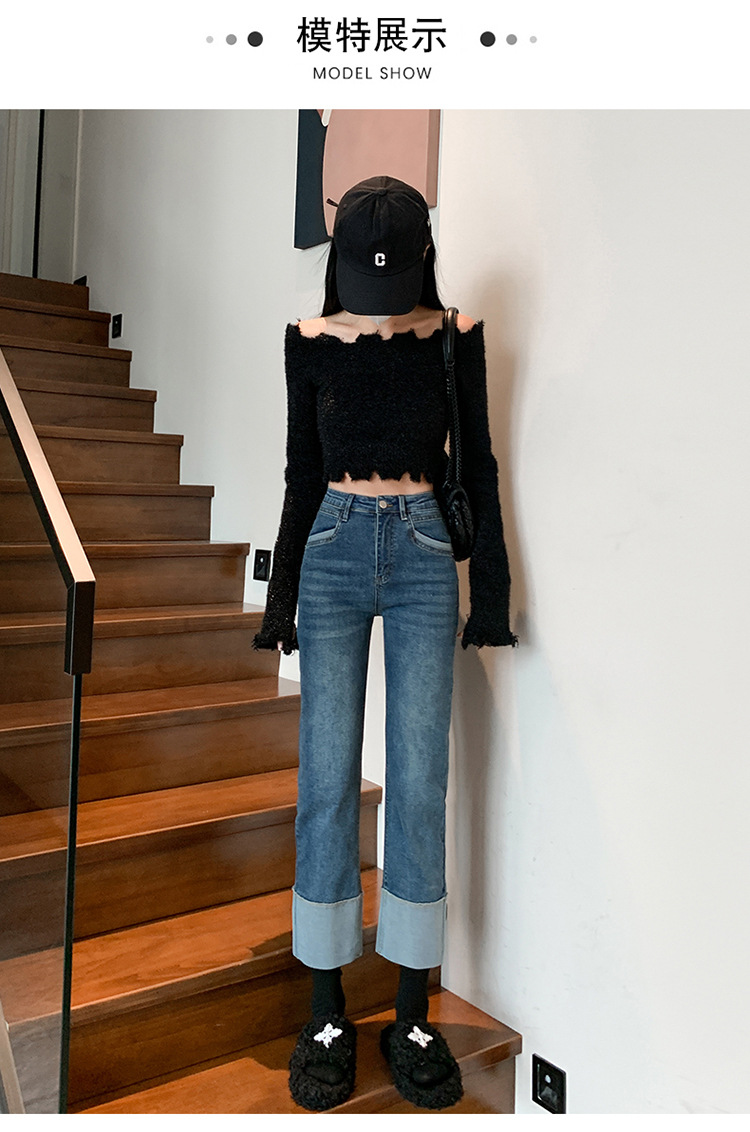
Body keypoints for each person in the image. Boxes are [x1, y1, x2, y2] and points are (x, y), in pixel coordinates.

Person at [253, 175, 517, 1111]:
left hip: (421, 556)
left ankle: (410, 1010)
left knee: (418, 779)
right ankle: (326, 1009)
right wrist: (281, 598)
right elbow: (302, 473)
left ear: (420, 259)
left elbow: (480, 466)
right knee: (325, 778)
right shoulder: (308, 340)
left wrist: (491, 595)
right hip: (331, 548)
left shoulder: (454, 338)